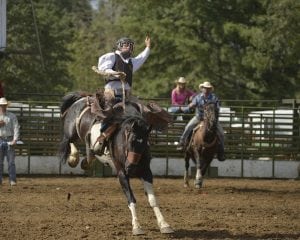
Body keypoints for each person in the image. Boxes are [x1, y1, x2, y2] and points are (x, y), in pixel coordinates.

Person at [93, 36, 151, 148]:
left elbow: (142, 57)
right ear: (119, 46)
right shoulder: (111, 56)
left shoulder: (131, 62)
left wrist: (148, 47)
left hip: (127, 96)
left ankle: (138, 139)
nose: (128, 46)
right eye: (125, 44)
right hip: (111, 94)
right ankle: (103, 136)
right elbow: (105, 70)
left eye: (130, 45)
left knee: (141, 113)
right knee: (110, 113)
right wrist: (116, 73)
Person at [176, 81, 225, 161]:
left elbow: (218, 107)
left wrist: (214, 109)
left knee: (222, 134)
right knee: (188, 127)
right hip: (199, 117)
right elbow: (192, 105)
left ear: (210, 89)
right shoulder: (198, 97)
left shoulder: (214, 98)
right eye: (205, 88)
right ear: (202, 89)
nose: (206, 90)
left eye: (208, 88)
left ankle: (221, 151)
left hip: (211, 120)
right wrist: (184, 109)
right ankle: (181, 143)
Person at [0, 97, 20, 186]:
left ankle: (12, 180)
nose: (3, 107)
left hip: (9, 139)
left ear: (6, 106)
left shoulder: (12, 116)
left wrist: (15, 139)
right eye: (1, 105)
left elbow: (16, 127)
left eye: (4, 105)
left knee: (11, 162)